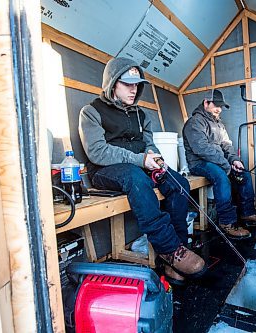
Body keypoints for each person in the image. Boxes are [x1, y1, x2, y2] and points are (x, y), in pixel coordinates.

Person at [79, 57, 206, 284]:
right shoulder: (91, 111)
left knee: (180, 184)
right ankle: (168, 249)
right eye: (127, 84)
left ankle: (177, 255)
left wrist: (155, 157)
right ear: (112, 84)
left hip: (138, 166)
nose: (133, 89)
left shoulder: (141, 114)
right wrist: (141, 160)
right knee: (137, 178)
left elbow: (148, 143)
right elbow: (97, 152)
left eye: (136, 84)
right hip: (104, 172)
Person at [182, 89, 256, 240]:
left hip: (218, 161)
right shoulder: (195, 122)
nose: (219, 109)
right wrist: (226, 166)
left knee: (244, 172)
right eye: (216, 105)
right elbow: (202, 149)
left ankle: (248, 213)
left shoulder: (219, 124)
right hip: (199, 163)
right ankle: (226, 222)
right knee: (221, 176)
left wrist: (234, 160)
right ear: (206, 103)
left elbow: (227, 145)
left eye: (221, 106)